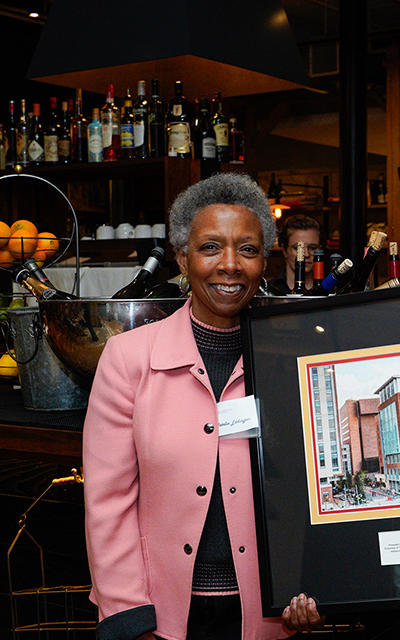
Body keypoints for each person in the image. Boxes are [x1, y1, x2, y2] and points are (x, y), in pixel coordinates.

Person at [83, 173, 323, 640]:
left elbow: (315, 490)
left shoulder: (292, 360)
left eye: (248, 250)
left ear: (265, 262)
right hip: (162, 615)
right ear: (182, 258)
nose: (229, 265)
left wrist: (310, 586)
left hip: (269, 612)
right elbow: (106, 502)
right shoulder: (128, 358)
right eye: (211, 247)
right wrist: (131, 616)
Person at [268, 215, 320, 294]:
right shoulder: (271, 290)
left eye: (312, 248)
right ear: (284, 250)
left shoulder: (329, 288)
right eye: (297, 248)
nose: (306, 254)